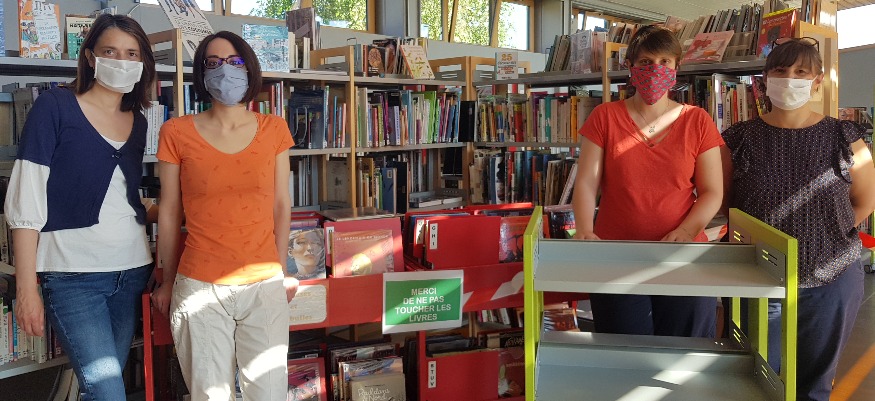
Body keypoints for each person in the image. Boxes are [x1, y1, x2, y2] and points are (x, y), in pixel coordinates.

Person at [4, 14, 156, 400]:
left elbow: (118, 195)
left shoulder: (138, 122)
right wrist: (27, 288)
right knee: (108, 392)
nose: (122, 61)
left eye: (132, 53)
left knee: (106, 387)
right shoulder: (54, 107)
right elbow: (26, 201)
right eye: (110, 51)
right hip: (73, 277)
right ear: (90, 57)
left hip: (132, 270)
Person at [721, 36, 875, 401]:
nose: (790, 78)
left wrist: (824, 236)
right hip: (757, 279)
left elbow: (865, 201)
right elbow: (727, 206)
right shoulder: (738, 139)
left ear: (817, 80)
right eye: (780, 70)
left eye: (801, 72)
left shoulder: (844, 137)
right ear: (765, 79)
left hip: (831, 280)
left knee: (814, 385)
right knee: (754, 381)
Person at [150, 31, 296, 401]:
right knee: (210, 396)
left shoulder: (274, 128)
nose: (224, 70)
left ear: (249, 68)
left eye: (234, 61)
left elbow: (281, 205)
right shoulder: (175, 132)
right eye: (212, 63)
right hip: (199, 285)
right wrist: (167, 280)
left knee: (270, 395)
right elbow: (169, 211)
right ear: (202, 74)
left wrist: (280, 271)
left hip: (263, 285)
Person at [571, 25, 724, 338]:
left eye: (665, 61)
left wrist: (687, 231)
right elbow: (586, 182)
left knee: (687, 350)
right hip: (616, 258)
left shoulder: (697, 120)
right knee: (624, 350)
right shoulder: (604, 117)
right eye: (645, 62)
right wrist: (585, 230)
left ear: (676, 67)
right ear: (630, 67)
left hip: (684, 257)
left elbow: (712, 192)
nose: (656, 69)